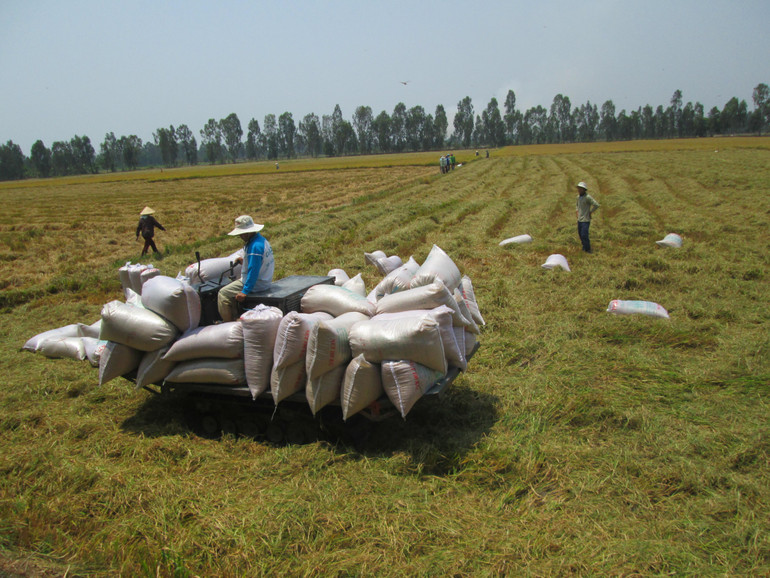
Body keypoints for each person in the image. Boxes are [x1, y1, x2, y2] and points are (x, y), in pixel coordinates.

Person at [217, 215, 275, 322]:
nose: (240, 236)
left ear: (247, 233)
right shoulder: (261, 241)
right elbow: (259, 263)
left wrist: (245, 291)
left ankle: (228, 324)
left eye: (241, 234)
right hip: (264, 280)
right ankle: (236, 316)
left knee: (223, 293)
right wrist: (245, 262)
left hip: (257, 284)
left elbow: (253, 270)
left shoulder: (254, 247)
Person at [576, 182, 600, 253]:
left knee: (584, 234)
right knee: (580, 234)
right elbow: (577, 205)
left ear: (584, 190)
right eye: (578, 188)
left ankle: (588, 249)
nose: (579, 190)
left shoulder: (587, 197)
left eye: (581, 189)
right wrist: (577, 211)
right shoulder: (578, 197)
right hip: (579, 219)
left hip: (585, 220)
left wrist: (590, 212)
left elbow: (596, 205)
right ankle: (584, 247)